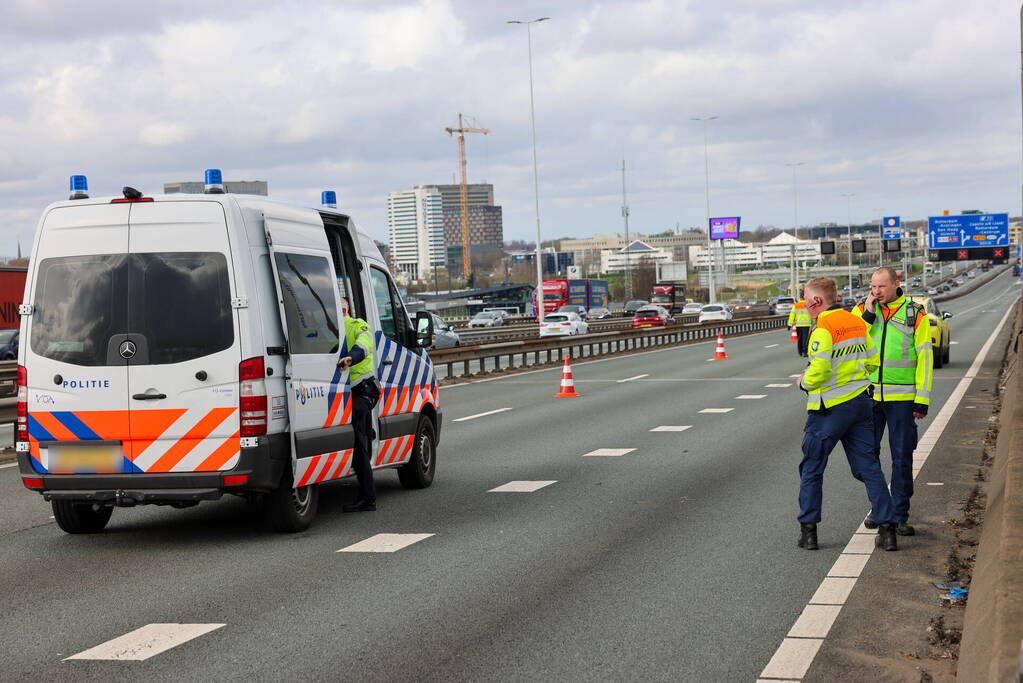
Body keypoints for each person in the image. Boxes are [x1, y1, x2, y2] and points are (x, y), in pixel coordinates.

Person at [796, 277, 898, 551]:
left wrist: (803, 382)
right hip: (861, 404)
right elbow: (873, 360)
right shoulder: (855, 322)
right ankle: (888, 530)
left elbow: (819, 371)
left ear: (817, 301)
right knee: (869, 466)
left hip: (828, 410)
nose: (803, 305)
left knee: (812, 468)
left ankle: (809, 533)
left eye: (806, 299)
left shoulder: (822, 328)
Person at [852, 266, 933, 536]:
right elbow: (852, 343)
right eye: (873, 287)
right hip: (868, 396)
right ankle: (879, 508)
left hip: (903, 399)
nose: (876, 292)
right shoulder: (862, 310)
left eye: (881, 287)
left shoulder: (914, 313)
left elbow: (924, 356)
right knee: (866, 457)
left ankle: (898, 515)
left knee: (901, 457)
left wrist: (922, 399)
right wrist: (868, 315)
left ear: (896, 283)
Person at [337, 298, 380, 513]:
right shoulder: (331, 327)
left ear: (345, 309)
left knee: (357, 442)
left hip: (364, 391)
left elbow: (363, 346)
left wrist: (349, 359)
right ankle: (366, 432)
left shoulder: (358, 325)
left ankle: (368, 497)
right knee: (355, 438)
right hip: (346, 393)